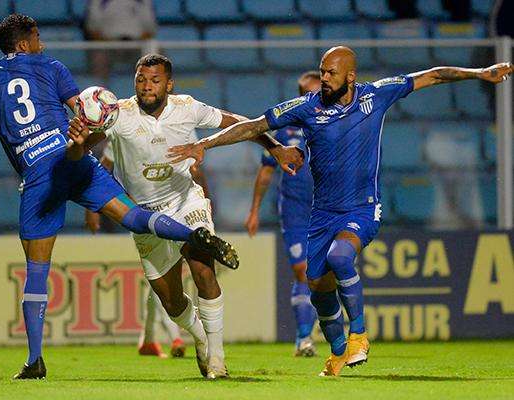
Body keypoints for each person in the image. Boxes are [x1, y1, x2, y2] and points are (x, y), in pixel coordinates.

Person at [0, 14, 239, 379]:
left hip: (39, 174)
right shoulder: (50, 66)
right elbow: (86, 109)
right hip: (74, 159)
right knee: (132, 215)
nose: (42, 43)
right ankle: (193, 235)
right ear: (24, 43)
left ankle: (35, 360)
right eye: (38, 37)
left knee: (37, 270)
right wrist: (83, 128)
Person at [168, 46, 512, 376]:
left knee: (341, 256)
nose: (325, 78)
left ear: (351, 76)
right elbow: (254, 126)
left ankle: (359, 335)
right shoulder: (306, 107)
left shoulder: (375, 96)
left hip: (362, 209)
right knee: (317, 284)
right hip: (322, 214)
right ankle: (336, 349)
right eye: (322, 72)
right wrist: (205, 143)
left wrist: (480, 73)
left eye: (331, 73)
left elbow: (433, 76)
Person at [69, 53, 298, 378]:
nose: (146, 87)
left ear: (169, 84)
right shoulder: (117, 114)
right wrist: (76, 143)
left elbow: (239, 123)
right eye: (141, 79)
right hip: (144, 216)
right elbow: (80, 154)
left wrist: (274, 146)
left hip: (185, 201)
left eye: (154, 80)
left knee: (203, 267)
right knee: (171, 300)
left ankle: (217, 359)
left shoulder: (188, 107)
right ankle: (201, 338)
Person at [85, 141, 187, 359]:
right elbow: (104, 166)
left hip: (177, 209)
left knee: (160, 277)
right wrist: (92, 207)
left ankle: (148, 340)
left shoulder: (177, 122)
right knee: (163, 272)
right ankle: (175, 336)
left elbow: (192, 166)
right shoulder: (125, 130)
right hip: (143, 214)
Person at [245, 70, 320, 357]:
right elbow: (265, 174)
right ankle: (304, 338)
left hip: (327, 207)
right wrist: (253, 210)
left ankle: (332, 328)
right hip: (295, 210)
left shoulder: (333, 125)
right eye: (307, 93)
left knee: (326, 271)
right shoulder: (284, 133)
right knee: (302, 270)